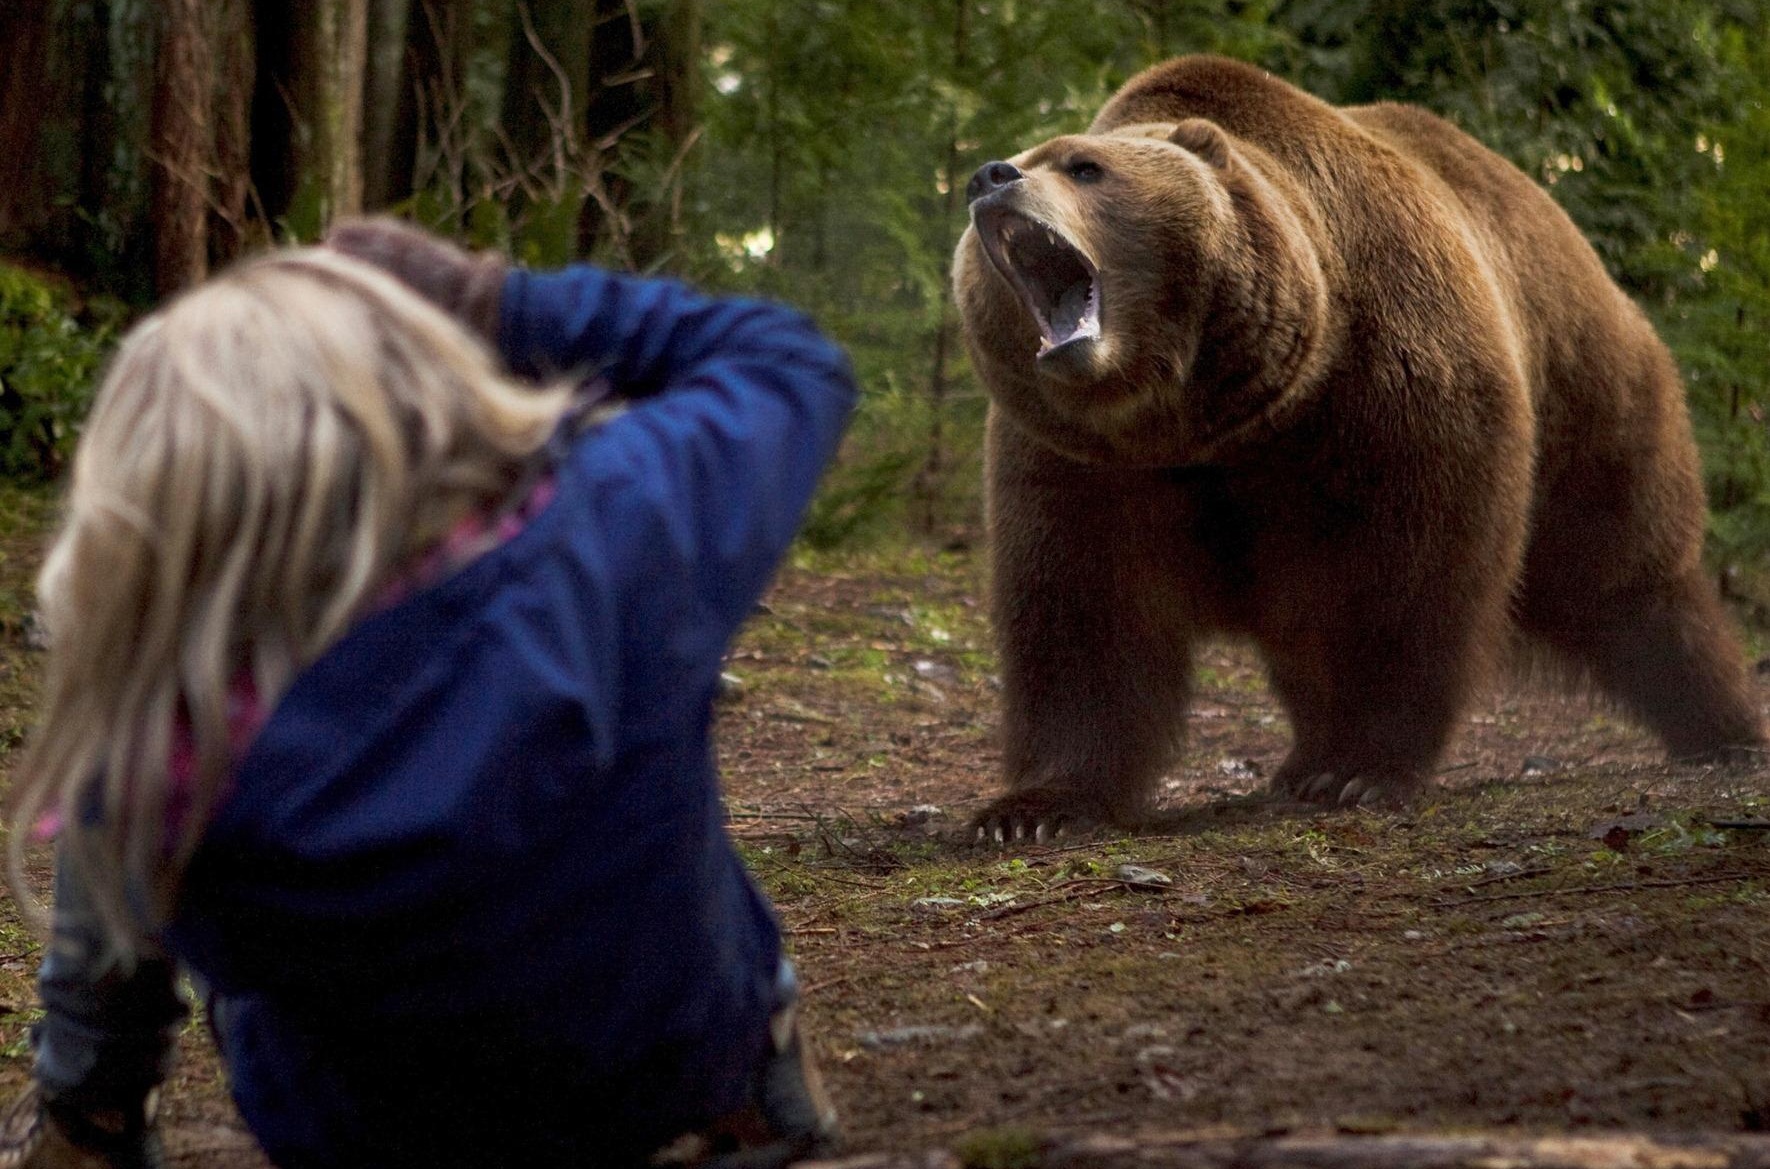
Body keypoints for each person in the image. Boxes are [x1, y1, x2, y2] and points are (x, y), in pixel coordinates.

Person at [0, 220, 856, 1168]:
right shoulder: (611, 537)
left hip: (361, 1136)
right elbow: (788, 360)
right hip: (660, 1066)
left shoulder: (162, 757)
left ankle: (90, 1110)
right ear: (427, 393)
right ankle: (753, 1084)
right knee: (648, 757)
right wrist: (497, 299)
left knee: (126, 763)